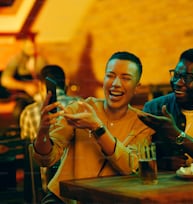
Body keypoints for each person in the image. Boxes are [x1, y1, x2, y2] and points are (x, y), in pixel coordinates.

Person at [32, 51, 154, 203]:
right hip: (65, 199)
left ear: (137, 87)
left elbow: (131, 168)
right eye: (110, 75)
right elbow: (46, 159)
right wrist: (43, 130)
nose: (115, 84)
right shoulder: (79, 108)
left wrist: (97, 127)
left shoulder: (142, 123)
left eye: (125, 78)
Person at [19, 64, 80, 203]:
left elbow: (29, 154)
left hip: (47, 188)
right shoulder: (82, 106)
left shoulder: (28, 112)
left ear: (41, 85)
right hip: (81, 185)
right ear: (66, 83)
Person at [1, 38, 47, 122]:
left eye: (34, 46)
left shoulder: (41, 59)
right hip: (23, 96)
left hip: (40, 94)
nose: (33, 49)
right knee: (19, 113)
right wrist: (25, 87)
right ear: (23, 46)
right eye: (29, 47)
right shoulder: (16, 59)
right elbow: (5, 80)